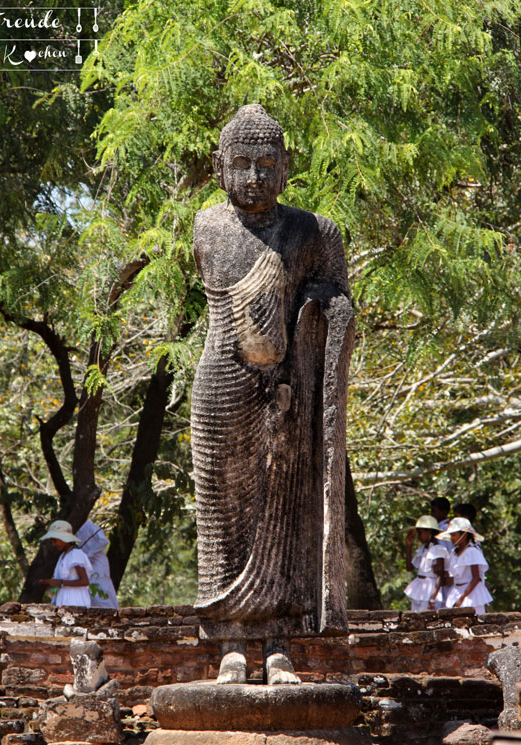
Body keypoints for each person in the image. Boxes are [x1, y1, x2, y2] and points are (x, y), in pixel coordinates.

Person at [190, 104, 353, 684]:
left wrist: (320, 310)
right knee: (222, 518)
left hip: (288, 389)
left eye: (266, 164)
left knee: (286, 513)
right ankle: (231, 644)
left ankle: (279, 644)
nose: (254, 176)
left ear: (287, 168)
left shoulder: (315, 231)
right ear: (219, 168)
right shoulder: (207, 226)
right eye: (240, 164)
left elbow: (340, 303)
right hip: (219, 388)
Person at [438, 517, 492, 614]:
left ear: (464, 534)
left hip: (471, 594)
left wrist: (462, 597)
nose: (452, 538)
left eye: (454, 535)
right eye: (451, 535)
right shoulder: (454, 553)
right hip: (456, 591)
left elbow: (476, 578)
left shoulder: (472, 551)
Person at [38, 520, 93, 607]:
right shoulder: (63, 556)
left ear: (64, 539)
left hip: (76, 601)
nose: (53, 544)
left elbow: (84, 581)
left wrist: (60, 582)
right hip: (64, 599)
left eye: (55, 540)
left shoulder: (75, 554)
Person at [404, 516, 448, 611]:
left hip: (430, 589)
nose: (419, 536)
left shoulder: (438, 549)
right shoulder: (423, 548)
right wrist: (409, 547)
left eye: (420, 533)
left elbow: (440, 575)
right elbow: (409, 567)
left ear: (429, 532)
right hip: (419, 587)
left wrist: (433, 598)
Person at [75, 519, 119, 609]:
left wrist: (89, 555)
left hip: (98, 563)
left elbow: (103, 540)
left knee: (102, 587)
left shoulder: (89, 526)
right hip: (88, 565)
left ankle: (111, 612)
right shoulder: (76, 529)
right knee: (91, 591)